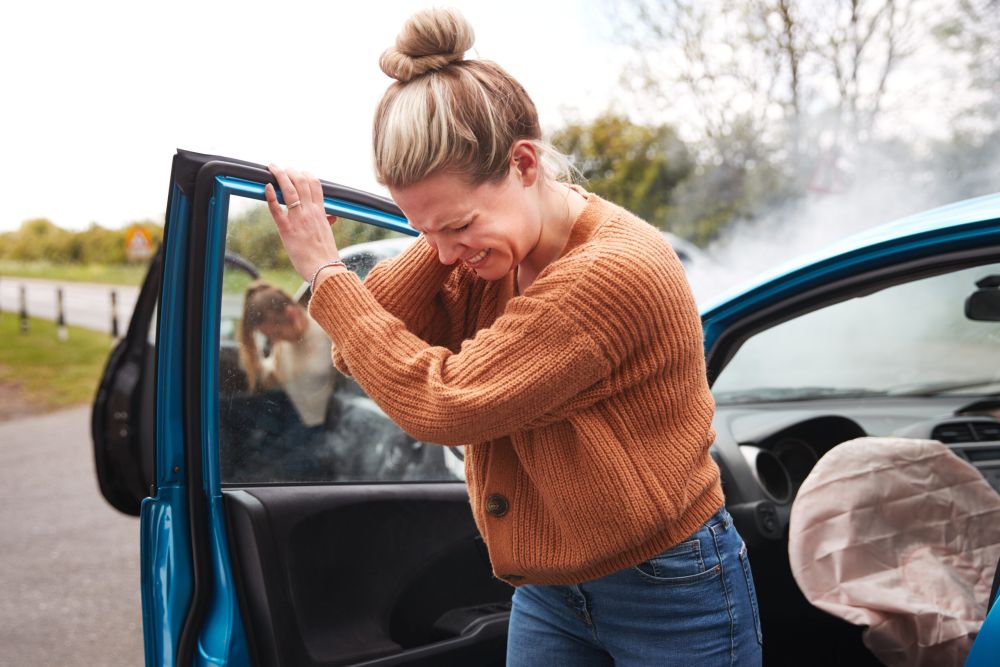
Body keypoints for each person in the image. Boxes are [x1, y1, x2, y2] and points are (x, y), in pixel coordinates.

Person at [263, 7, 762, 665]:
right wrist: (445, 236)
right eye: (424, 230)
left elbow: (443, 401)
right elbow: (362, 343)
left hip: (667, 584)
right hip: (550, 587)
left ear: (524, 162)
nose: (443, 254)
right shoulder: (491, 251)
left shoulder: (613, 272)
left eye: (458, 224)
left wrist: (327, 272)